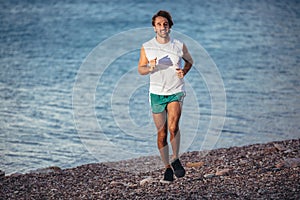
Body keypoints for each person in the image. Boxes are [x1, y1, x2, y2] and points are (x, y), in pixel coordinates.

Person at [138, 10, 193, 183]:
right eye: (159, 24)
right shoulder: (147, 46)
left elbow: (190, 61)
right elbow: (140, 69)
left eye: (165, 24)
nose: (163, 27)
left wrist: (183, 72)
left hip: (175, 90)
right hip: (156, 93)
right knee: (161, 133)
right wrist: (150, 68)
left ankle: (176, 157)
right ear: (154, 27)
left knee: (173, 127)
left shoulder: (179, 45)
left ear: (170, 26)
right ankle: (167, 167)